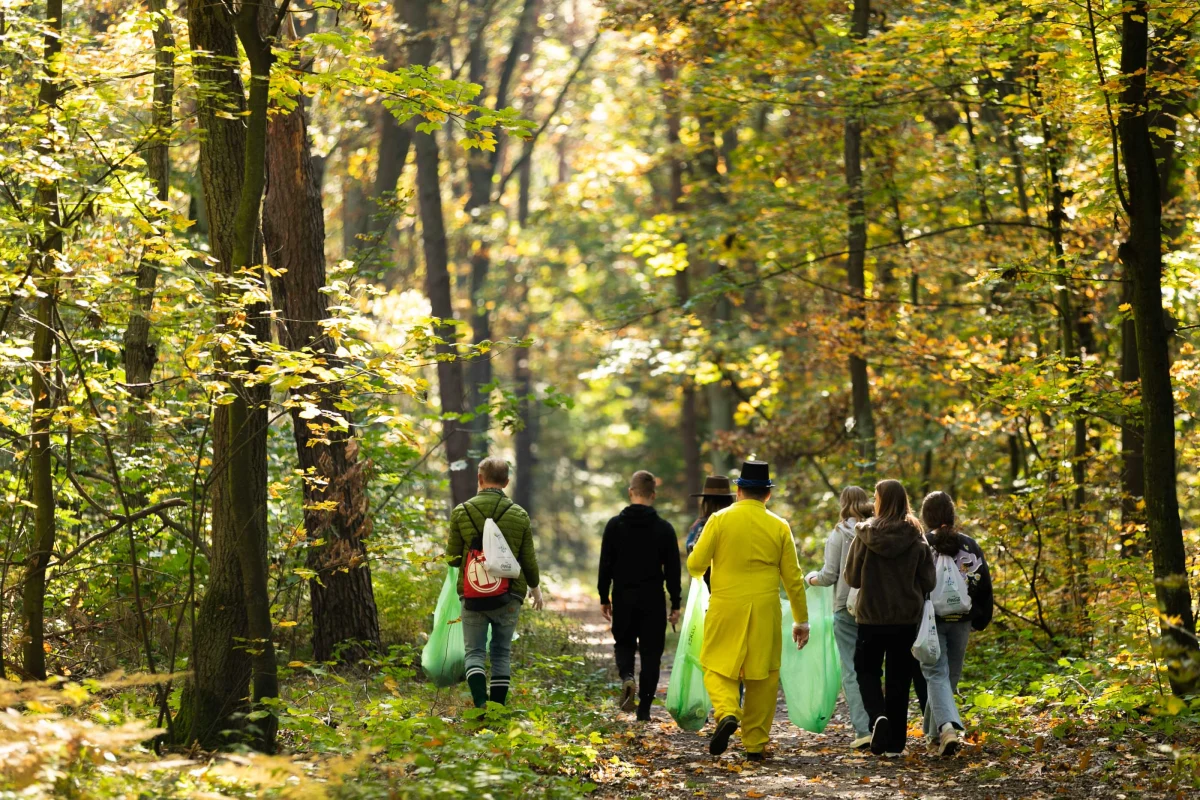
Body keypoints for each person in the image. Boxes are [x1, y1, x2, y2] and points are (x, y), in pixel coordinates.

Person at [686, 460, 809, 761]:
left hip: (725, 607)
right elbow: (793, 578)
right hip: (766, 610)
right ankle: (754, 745)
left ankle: (728, 711)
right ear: (768, 494)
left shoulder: (718, 520)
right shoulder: (779, 526)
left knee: (716, 664)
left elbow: (695, 566)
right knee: (763, 678)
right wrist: (801, 620)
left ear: (739, 491)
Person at [844, 479, 935, 757]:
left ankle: (877, 717)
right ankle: (895, 745)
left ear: (881, 501)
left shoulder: (865, 534)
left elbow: (852, 578)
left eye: (875, 496)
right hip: (905, 619)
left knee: (866, 670)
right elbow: (929, 581)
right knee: (899, 679)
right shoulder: (916, 536)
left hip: (871, 618)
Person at [446, 457, 543, 708]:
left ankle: (480, 705)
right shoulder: (519, 515)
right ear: (507, 482)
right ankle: (497, 711)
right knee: (501, 652)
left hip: (472, 593)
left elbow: (453, 559)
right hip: (509, 595)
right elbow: (528, 559)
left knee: (474, 653)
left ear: (480, 479)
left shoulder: (462, 512)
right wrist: (535, 588)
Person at [913, 491, 993, 756]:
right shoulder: (969, 545)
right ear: (951, 513)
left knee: (936, 675)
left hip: (931, 620)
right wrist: (980, 617)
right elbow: (983, 582)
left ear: (925, 517)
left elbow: (911, 583)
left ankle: (946, 729)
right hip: (962, 620)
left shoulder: (921, 544)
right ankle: (935, 736)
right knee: (947, 678)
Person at [598, 470, 682, 721]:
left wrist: (604, 597)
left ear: (630, 493)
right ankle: (643, 710)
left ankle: (627, 677)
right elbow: (673, 571)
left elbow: (605, 565)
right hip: (652, 599)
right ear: (653, 495)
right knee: (651, 654)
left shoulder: (615, 525)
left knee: (624, 643)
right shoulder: (664, 529)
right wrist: (675, 603)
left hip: (623, 596)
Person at [806, 485, 875, 750]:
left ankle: (863, 730)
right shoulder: (877, 529)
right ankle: (880, 721)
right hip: (875, 609)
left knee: (851, 669)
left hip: (846, 608)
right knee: (873, 668)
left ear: (843, 504)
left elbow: (829, 576)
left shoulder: (839, 534)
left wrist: (809, 578)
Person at [685, 475, 735, 590]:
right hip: (733, 587)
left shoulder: (700, 526)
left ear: (706, 501)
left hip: (706, 589)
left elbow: (694, 559)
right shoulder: (737, 523)